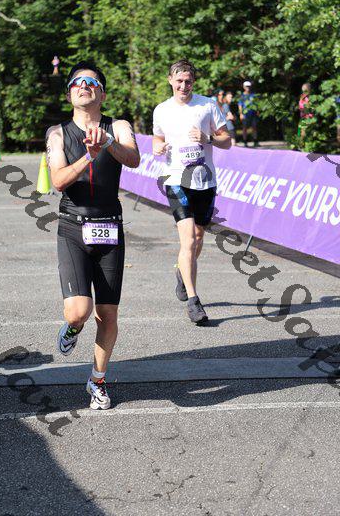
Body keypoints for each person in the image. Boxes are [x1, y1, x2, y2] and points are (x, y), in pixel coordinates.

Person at [46, 60, 140, 410]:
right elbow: (58, 181)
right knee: (78, 312)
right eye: (77, 82)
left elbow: (133, 159)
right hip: (73, 226)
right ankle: (72, 329)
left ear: (102, 93)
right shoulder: (58, 133)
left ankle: (97, 380)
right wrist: (89, 155)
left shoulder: (119, 126)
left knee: (108, 314)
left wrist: (108, 142)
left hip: (110, 226)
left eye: (91, 82)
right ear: (69, 93)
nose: (83, 85)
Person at [152, 59, 231, 324]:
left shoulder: (207, 105)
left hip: (204, 181)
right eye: (179, 81)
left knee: (197, 239)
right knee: (187, 241)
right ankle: (194, 301)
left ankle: (181, 272)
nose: (183, 86)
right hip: (176, 179)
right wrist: (157, 147)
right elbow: (157, 137)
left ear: (193, 82)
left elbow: (227, 141)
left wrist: (208, 139)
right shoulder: (162, 110)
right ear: (170, 80)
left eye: (188, 81)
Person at [238, 81, 259, 147]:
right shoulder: (242, 96)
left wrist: (257, 111)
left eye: (249, 86)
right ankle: (245, 141)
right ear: (244, 87)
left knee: (254, 127)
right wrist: (241, 114)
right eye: (247, 86)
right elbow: (240, 105)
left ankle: (255, 141)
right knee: (244, 128)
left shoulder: (253, 95)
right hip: (245, 114)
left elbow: (256, 104)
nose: (248, 87)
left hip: (253, 113)